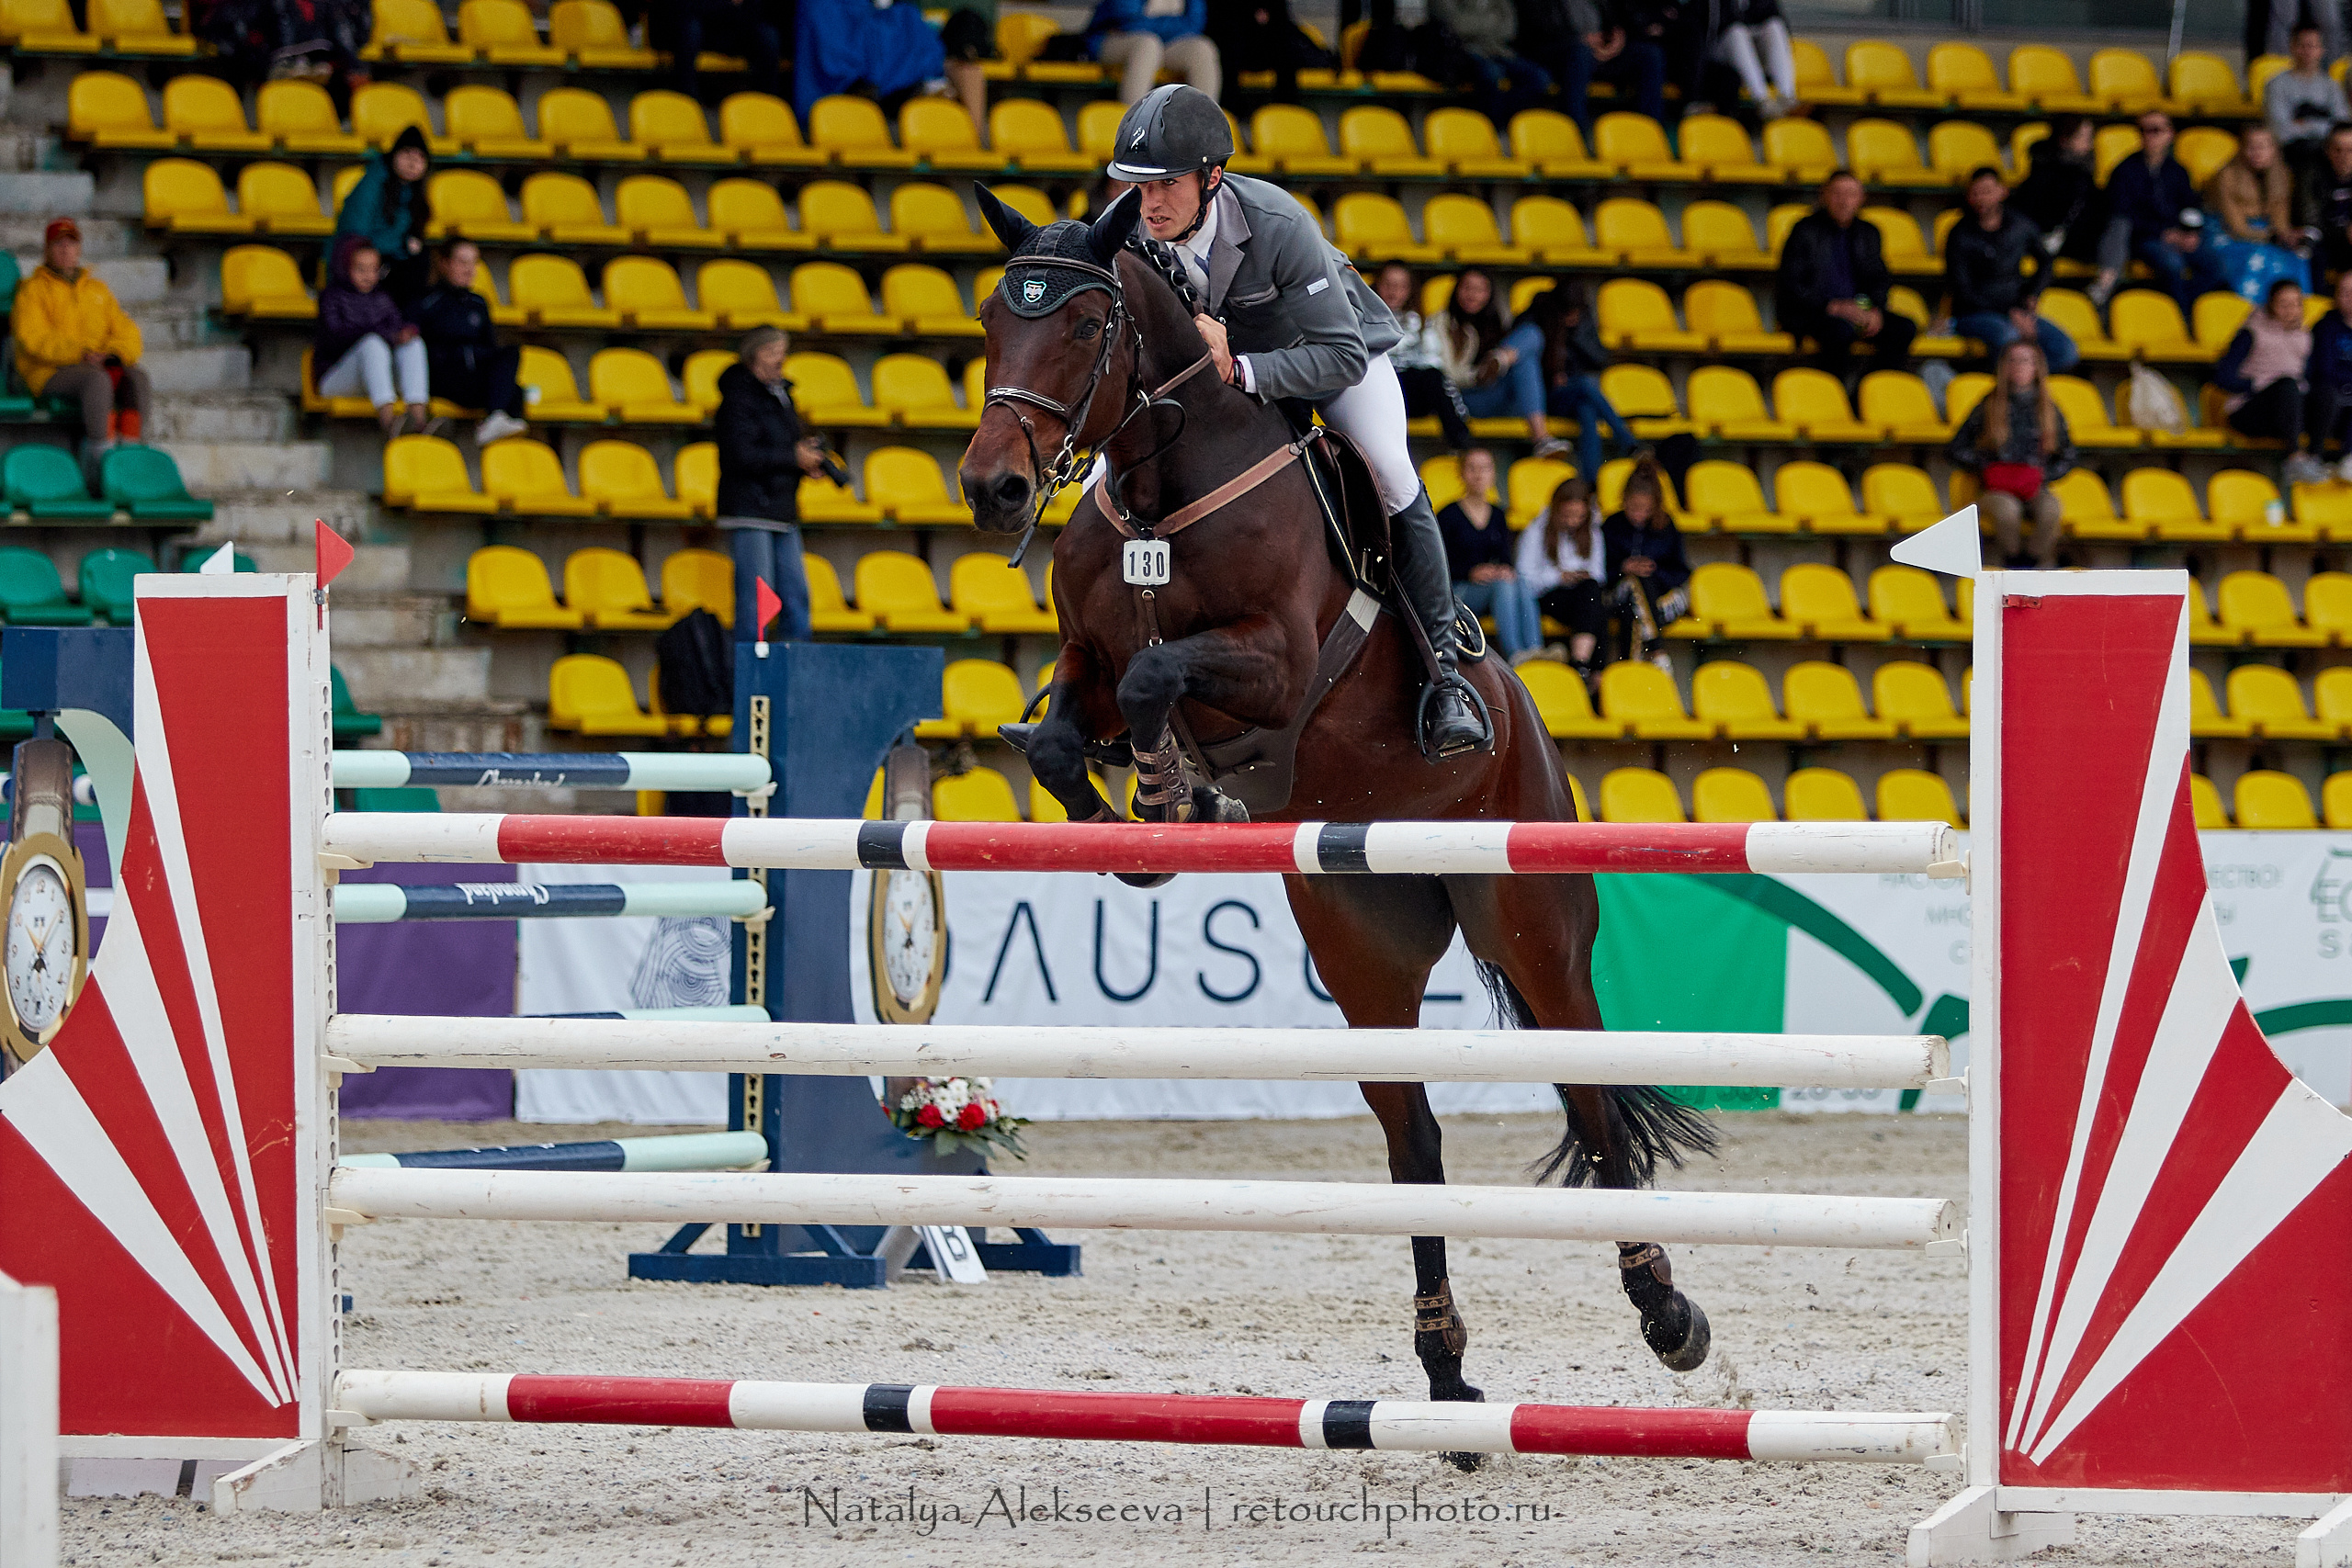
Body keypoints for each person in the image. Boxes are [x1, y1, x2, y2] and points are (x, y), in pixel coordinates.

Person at [1102, 83, 1485, 754]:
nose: (1149, 202)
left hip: (1335, 355)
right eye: (1139, 187)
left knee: (1391, 472)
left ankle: (1446, 675)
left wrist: (1239, 369)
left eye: (1165, 185)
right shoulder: (1136, 235)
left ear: (1212, 177)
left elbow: (1335, 351)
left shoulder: (1278, 224)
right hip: (1225, 381)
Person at [715, 326, 831, 643]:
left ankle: (794, 677)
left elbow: (779, 448)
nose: (780, 359)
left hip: (781, 509)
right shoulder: (738, 398)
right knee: (756, 606)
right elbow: (741, 454)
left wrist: (805, 461)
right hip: (751, 509)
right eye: (772, 352)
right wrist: (792, 458)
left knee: (796, 599)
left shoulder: (781, 395)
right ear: (754, 356)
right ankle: (752, 680)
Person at [14, 218, 149, 480]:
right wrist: (81, 353)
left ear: (79, 249)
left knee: (138, 378)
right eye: (58, 244)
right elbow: (34, 339)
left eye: (71, 243)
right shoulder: (32, 290)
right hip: (48, 372)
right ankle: (98, 471)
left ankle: (131, 461)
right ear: (47, 250)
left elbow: (128, 332)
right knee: (97, 381)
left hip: (95, 363)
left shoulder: (97, 290)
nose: (65, 250)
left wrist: (113, 353)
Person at [1774, 170, 1917, 383]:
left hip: (1859, 309)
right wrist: (1832, 306)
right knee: (1839, 333)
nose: (1844, 201)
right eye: (1837, 194)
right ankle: (1834, 395)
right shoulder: (1804, 230)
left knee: (1903, 329)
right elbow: (1791, 283)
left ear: (1861, 198)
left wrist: (1875, 309)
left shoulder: (1869, 232)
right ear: (1824, 196)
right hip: (1814, 312)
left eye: (1851, 194)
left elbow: (1879, 278)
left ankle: (1868, 391)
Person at [1949, 339, 2075, 569]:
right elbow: (1957, 447)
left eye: (2026, 360)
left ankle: (2031, 560)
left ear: (2037, 367)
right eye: (2013, 360)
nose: (2019, 366)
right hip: (1995, 488)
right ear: (2004, 366)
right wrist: (1987, 468)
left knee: (2051, 509)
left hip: (2034, 486)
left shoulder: (2049, 408)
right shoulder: (1989, 404)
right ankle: (2013, 559)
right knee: (2008, 510)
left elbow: (2068, 454)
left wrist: (2042, 475)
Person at [1946, 166, 2076, 374]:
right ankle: (2005, 391)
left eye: (1987, 191)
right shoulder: (1960, 234)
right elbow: (1964, 290)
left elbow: (2046, 261)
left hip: (2016, 310)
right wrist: (2010, 312)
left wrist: (2033, 294)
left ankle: (2029, 387)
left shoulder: (2020, 226)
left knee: (2066, 350)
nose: (1981, 199)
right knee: (2009, 337)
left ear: (2002, 191)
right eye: (1975, 193)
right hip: (1973, 313)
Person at [1427, 268, 1566, 457]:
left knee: (1531, 338)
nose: (1473, 295)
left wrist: (1494, 366)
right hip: (1464, 398)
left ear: (1489, 295)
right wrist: (1477, 375)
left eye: (1480, 290)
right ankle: (1541, 437)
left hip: (1496, 394)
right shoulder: (1441, 322)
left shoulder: (1494, 324)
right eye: (1467, 288)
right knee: (1526, 356)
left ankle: (1499, 359)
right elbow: (1444, 374)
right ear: (1457, 290)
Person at [2093, 112, 2224, 311]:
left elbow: (2190, 205)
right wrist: (2161, 233)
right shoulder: (2124, 170)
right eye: (2144, 130)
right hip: (2145, 237)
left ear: (2170, 134)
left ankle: (2189, 309)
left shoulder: (2178, 171)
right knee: (2173, 265)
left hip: (2178, 235)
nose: (2149, 136)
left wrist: (2190, 234)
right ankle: (2182, 315)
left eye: (2156, 130)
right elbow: (2122, 216)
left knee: (2216, 267)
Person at [409, 242, 527, 446]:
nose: (469, 270)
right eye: (462, 262)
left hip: (472, 377)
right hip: (444, 378)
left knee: (515, 385)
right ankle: (494, 420)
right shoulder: (428, 301)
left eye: (474, 263)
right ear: (445, 264)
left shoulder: (479, 303)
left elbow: (489, 345)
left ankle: (497, 427)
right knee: (509, 391)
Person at [2217, 277, 2329, 484]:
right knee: (2286, 384)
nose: (2290, 310)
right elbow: (2222, 376)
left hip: (2288, 411)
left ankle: (2313, 458)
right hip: (2249, 410)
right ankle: (2294, 457)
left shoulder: (2305, 337)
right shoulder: (2251, 332)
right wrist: (2255, 384)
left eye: (2296, 304)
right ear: (2271, 305)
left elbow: (2310, 377)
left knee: (2326, 393)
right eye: (2283, 304)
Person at [315, 237, 429, 438]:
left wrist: (404, 333)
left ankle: (419, 420)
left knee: (414, 344)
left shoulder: (382, 298)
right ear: (344, 268)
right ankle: (388, 421)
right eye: (361, 269)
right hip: (337, 377)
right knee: (372, 344)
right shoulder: (331, 297)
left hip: (375, 378)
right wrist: (385, 335)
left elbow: (395, 328)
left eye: (373, 269)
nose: (368, 276)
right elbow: (335, 339)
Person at [1438, 448, 1541, 660]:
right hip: (1459, 590)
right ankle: (1516, 654)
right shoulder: (1448, 514)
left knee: (1518, 580)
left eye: (1485, 469)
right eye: (1472, 468)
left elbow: (1505, 556)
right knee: (1502, 585)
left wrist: (1503, 569)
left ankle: (1536, 650)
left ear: (1493, 474)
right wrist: (1470, 573)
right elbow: (1438, 563)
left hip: (1489, 588)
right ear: (1461, 473)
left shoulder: (1498, 514)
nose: (1478, 475)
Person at [1526, 280, 1634, 478]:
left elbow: (1599, 358)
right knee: (1585, 386)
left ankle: (1590, 483)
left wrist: (1573, 335)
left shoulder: (1583, 319)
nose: (1572, 317)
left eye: (1575, 313)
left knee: (1587, 410)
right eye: (1567, 313)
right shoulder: (1538, 314)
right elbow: (1525, 358)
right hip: (1540, 397)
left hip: (1571, 393)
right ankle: (1628, 441)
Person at [1514, 475, 1610, 680]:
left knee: (1593, 594)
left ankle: (1582, 665)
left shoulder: (1592, 531)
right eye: (1568, 515)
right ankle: (1590, 671)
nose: (1573, 521)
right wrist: (1559, 577)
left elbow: (1598, 574)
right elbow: (1524, 578)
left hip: (1581, 596)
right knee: (1594, 601)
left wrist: (1579, 576)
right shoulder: (1536, 530)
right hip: (1547, 595)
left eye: (1579, 516)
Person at [2205, 124, 2312, 297]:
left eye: (2263, 146)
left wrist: (2287, 236)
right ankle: (2255, 312)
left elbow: (2280, 220)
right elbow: (2237, 228)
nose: (2256, 152)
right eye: (2251, 147)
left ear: (2274, 149)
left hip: (2265, 232)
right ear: (2242, 149)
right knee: (2261, 257)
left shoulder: (2283, 175)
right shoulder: (2226, 176)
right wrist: (2273, 236)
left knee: (2298, 256)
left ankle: (2295, 311)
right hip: (2227, 233)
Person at [1374, 263, 1473, 449]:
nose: (1394, 291)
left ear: (1410, 290)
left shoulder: (1420, 322)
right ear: (1376, 285)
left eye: (1401, 286)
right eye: (1388, 284)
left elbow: (1434, 362)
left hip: (1410, 394)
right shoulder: (1363, 318)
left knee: (1434, 376)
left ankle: (1462, 443)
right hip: (1378, 391)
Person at [334, 124, 432, 307]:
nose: (413, 163)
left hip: (393, 260)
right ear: (393, 155)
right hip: (365, 259)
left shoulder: (413, 192)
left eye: (420, 158)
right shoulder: (372, 183)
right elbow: (354, 235)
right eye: (407, 154)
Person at [1601, 456, 1688, 663]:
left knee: (1634, 607)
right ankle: (1657, 652)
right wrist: (1624, 567)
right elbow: (1601, 571)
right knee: (1633, 586)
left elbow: (1680, 572)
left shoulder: (1666, 527)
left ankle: (1630, 666)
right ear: (1624, 500)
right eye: (1634, 508)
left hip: (1662, 602)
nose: (1639, 515)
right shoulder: (1612, 526)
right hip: (1620, 593)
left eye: (1646, 510)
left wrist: (1653, 570)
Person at [1548, 0, 1665, 135]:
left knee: (1650, 54)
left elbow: (1621, 24)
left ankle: (1651, 132)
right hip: (1565, 53)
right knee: (1580, 54)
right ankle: (1574, 135)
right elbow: (1541, 29)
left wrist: (1617, 42)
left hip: (1603, 52)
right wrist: (1583, 41)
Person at [1429, 0, 1551, 121]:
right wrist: (1492, 20)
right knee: (1493, 74)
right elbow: (1456, 25)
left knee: (1539, 77)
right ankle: (1491, 125)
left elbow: (1510, 29)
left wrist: (1475, 24)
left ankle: (1505, 122)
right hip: (1463, 51)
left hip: (1499, 50)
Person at [2010, 115, 2104, 267]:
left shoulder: (2085, 173)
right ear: (2064, 140)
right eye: (2083, 137)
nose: (2090, 144)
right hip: (2045, 243)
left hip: (2076, 245)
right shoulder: (2043, 174)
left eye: (2090, 137)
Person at [1084, 0, 1220, 106]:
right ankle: (1133, 131)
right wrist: (1174, 25)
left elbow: (1196, 24)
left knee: (1203, 49)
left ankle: (1204, 130)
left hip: (1165, 43)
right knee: (1148, 46)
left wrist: (1160, 27)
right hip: (1114, 40)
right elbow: (1128, 20)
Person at [1204, 0, 1329, 107]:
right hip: (1228, 46)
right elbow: (1215, 20)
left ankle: (1286, 111)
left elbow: (1281, 20)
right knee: (1230, 41)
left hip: (1263, 45)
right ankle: (1231, 112)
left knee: (1285, 46)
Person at [2267, 23, 2347, 187]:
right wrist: (2324, 126)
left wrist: (2304, 125)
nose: (2307, 51)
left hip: (2330, 149)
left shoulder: (2332, 86)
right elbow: (2281, 130)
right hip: (2293, 152)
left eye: (2312, 46)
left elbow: (2342, 126)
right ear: (2292, 47)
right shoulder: (2276, 85)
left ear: (2321, 50)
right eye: (2302, 46)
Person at [674, 0, 782, 103]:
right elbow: (689, 8)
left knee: (768, 35)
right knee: (690, 29)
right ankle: (688, 99)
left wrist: (735, 7)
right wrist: (726, 4)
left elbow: (755, 13)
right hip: (706, 34)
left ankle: (765, 101)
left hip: (737, 34)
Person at [1708, 0, 1796, 120]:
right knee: (1737, 32)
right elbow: (1717, 26)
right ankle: (1762, 100)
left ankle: (1788, 95)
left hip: (1754, 56)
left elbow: (1771, 15)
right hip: (1721, 55)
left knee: (1774, 25)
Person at [2308, 269, 2352, 479]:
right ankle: (2315, 456)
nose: (2350, 299)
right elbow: (2324, 370)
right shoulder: (2324, 327)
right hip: (2328, 399)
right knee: (2328, 394)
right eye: (2345, 292)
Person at [2301, 123, 2352, 276]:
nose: (2344, 157)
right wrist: (2344, 232)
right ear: (2327, 151)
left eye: (2350, 150)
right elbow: (2311, 220)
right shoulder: (2311, 175)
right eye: (2338, 150)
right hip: (2324, 240)